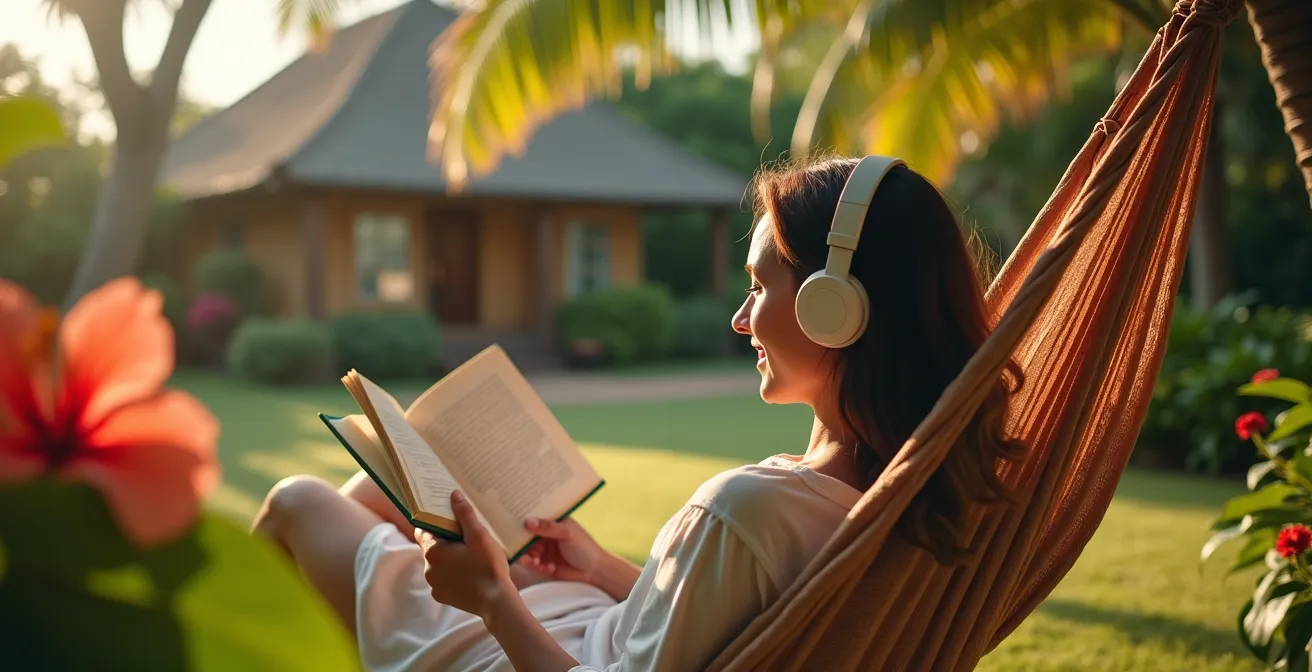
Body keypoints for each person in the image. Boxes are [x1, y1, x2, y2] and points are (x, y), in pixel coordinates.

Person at [251, 155, 1027, 671]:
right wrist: (603, 569)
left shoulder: (745, 512)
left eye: (760, 286)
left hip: (538, 655)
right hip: (591, 627)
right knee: (386, 489)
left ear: (836, 311)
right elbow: (725, 632)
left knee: (302, 499)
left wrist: (490, 595)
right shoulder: (924, 489)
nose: (740, 318)